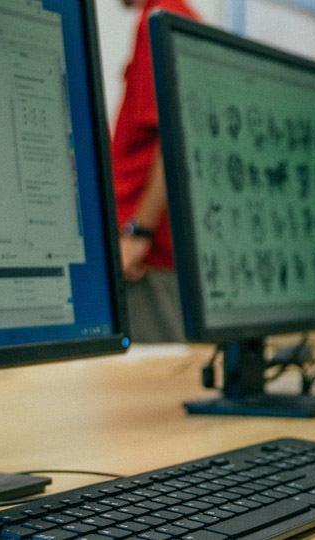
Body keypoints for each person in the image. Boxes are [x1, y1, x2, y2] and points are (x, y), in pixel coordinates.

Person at [110, 0, 199, 343]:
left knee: (151, 381)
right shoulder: (179, 16)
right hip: (161, 251)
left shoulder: (160, 18)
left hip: (150, 255)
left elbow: (172, 137)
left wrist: (138, 233)